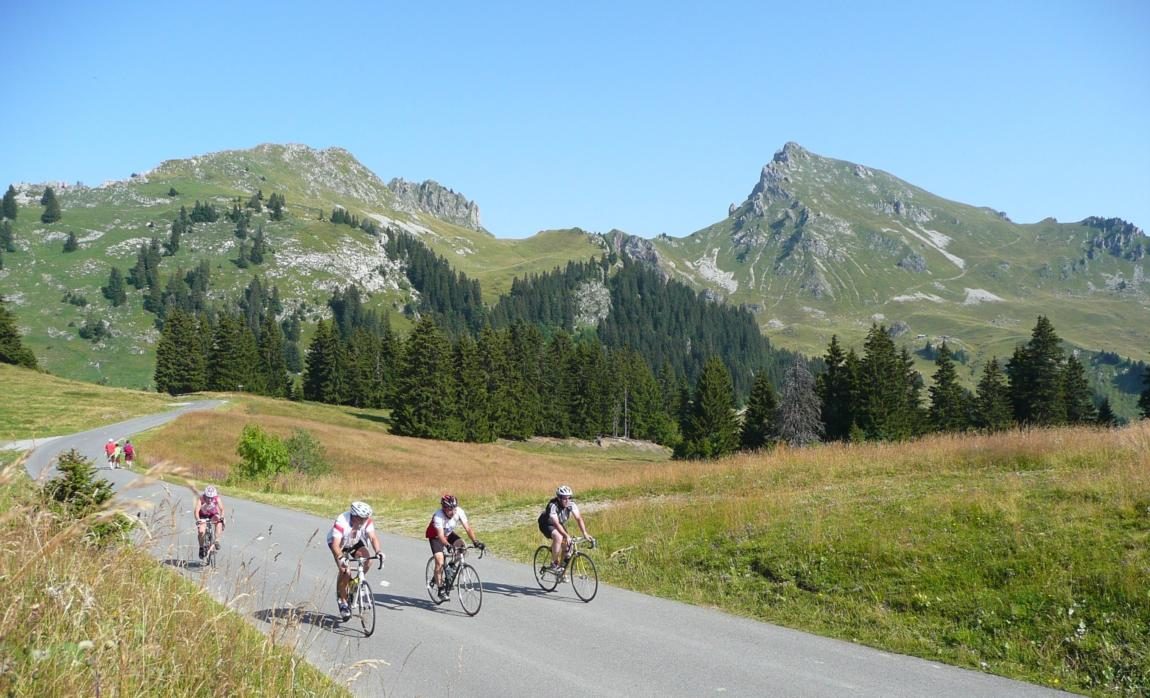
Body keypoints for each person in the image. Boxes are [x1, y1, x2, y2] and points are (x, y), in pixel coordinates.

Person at [327, 501, 383, 621]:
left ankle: (354, 584)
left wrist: (378, 551)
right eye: (363, 518)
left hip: (354, 541)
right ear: (354, 516)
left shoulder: (366, 521)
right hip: (339, 543)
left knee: (368, 561)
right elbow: (336, 545)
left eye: (367, 518)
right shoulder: (342, 521)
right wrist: (341, 558)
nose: (365, 520)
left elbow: (373, 537)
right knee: (345, 571)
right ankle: (342, 601)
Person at [424, 494, 484, 602]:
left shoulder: (459, 512)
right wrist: (448, 546)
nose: (453, 512)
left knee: (463, 548)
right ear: (444, 509)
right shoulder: (438, 516)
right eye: (450, 509)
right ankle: (441, 589)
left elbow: (468, 528)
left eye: (454, 508)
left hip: (449, 533)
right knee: (440, 560)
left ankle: (451, 566)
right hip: (436, 537)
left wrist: (475, 542)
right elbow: (441, 536)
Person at [538, 485, 594, 573]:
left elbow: (579, 518)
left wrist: (585, 533)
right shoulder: (552, 505)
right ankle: (554, 563)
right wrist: (566, 535)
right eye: (564, 498)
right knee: (559, 537)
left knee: (568, 546)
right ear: (559, 498)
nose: (567, 500)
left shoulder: (571, 504)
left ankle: (562, 572)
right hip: (546, 523)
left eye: (569, 497)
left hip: (558, 524)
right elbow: (555, 523)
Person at [194, 485, 226, 560]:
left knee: (219, 522)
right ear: (205, 495)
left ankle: (217, 541)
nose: (210, 500)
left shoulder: (217, 498)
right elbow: (196, 511)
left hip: (212, 514)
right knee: (201, 531)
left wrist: (222, 517)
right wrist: (198, 520)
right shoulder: (201, 499)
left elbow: (222, 509)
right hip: (202, 516)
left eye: (211, 498)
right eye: (208, 497)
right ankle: (201, 548)